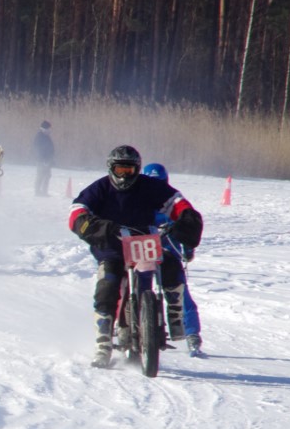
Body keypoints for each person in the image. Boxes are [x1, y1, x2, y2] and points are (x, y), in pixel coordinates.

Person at [68, 145, 203, 368]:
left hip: (144, 240)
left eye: (129, 170)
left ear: (137, 170)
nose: (124, 176)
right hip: (112, 244)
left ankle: (175, 310)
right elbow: (77, 211)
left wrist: (187, 217)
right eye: (120, 170)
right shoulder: (99, 188)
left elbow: (176, 202)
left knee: (170, 263)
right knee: (108, 284)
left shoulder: (150, 187)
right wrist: (94, 226)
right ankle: (103, 342)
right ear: (111, 168)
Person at [143, 162, 204, 355]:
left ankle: (192, 333)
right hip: (143, 252)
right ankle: (126, 324)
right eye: (151, 183)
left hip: (169, 253)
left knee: (181, 291)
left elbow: (187, 225)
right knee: (133, 286)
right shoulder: (137, 200)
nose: (155, 188)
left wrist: (188, 248)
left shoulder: (171, 200)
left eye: (160, 183)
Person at [32, 120, 55, 197]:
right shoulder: (39, 137)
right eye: (49, 129)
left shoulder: (47, 136)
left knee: (47, 175)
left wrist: (51, 158)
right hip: (41, 161)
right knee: (40, 175)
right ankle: (37, 192)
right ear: (44, 129)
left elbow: (50, 148)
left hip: (47, 160)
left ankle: (44, 192)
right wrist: (42, 160)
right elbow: (38, 149)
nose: (50, 130)